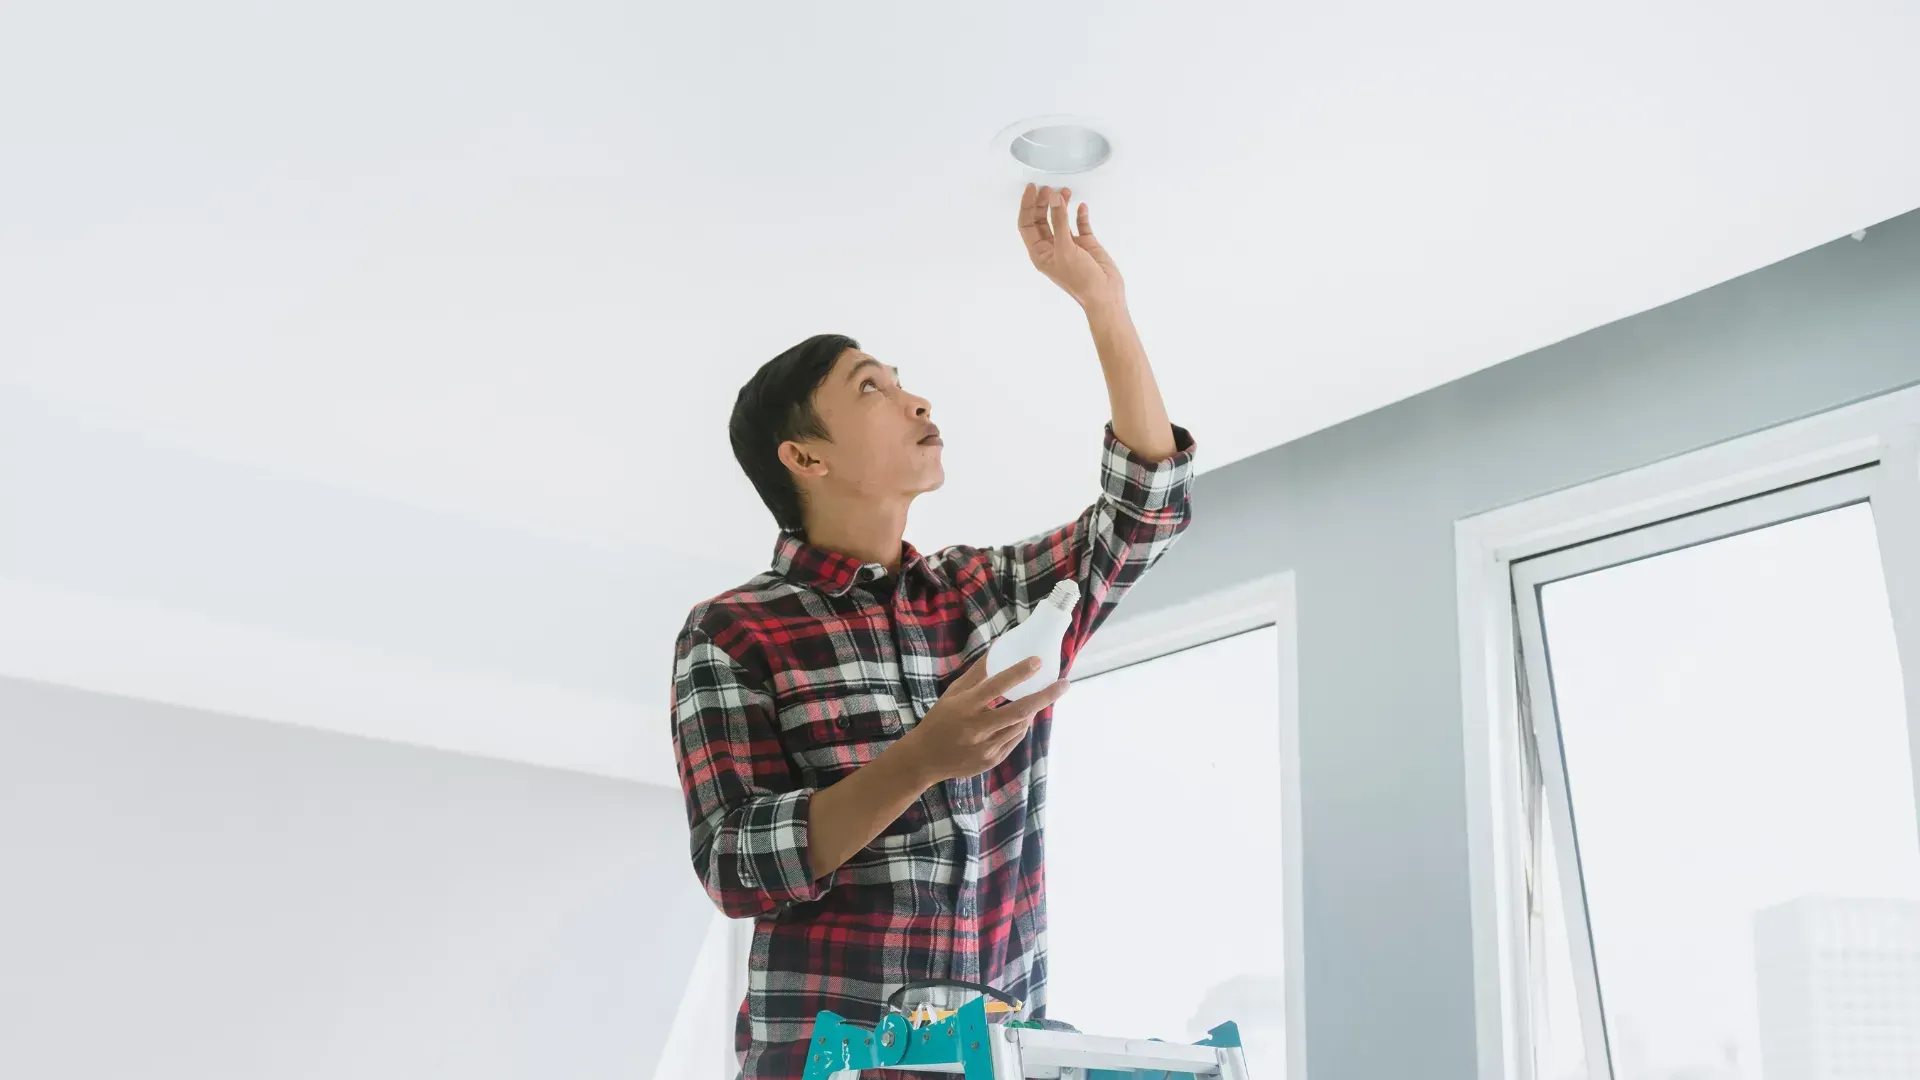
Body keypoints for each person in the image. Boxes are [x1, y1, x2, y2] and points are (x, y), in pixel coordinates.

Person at [673, 183, 1196, 1078]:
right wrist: (924, 756)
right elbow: (735, 863)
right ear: (805, 457)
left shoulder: (984, 593)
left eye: (904, 381)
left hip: (997, 1057)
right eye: (871, 388)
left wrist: (1101, 305)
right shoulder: (734, 631)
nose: (916, 402)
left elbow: (1145, 509)